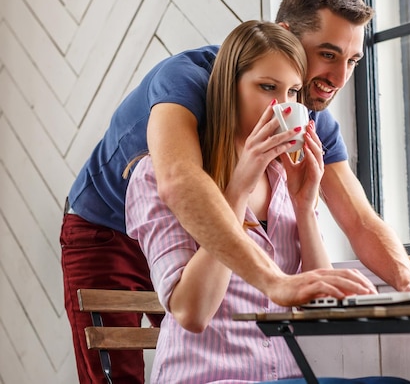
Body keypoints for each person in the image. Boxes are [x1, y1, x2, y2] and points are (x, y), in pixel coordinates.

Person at [61, 0, 410, 382]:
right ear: (285, 35)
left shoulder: (306, 120)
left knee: (199, 332)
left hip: (203, 228)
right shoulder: (190, 81)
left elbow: (358, 219)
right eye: (328, 54)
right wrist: (273, 279)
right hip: (107, 227)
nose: (339, 79)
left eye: (352, 61)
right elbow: (178, 182)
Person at [126, 20, 390, 383]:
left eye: (294, 92)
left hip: (286, 376)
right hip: (206, 376)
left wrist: (303, 205)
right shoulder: (156, 176)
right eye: (268, 87)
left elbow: (318, 311)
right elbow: (193, 312)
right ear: (227, 89)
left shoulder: (286, 178)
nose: (283, 106)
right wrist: (238, 188)